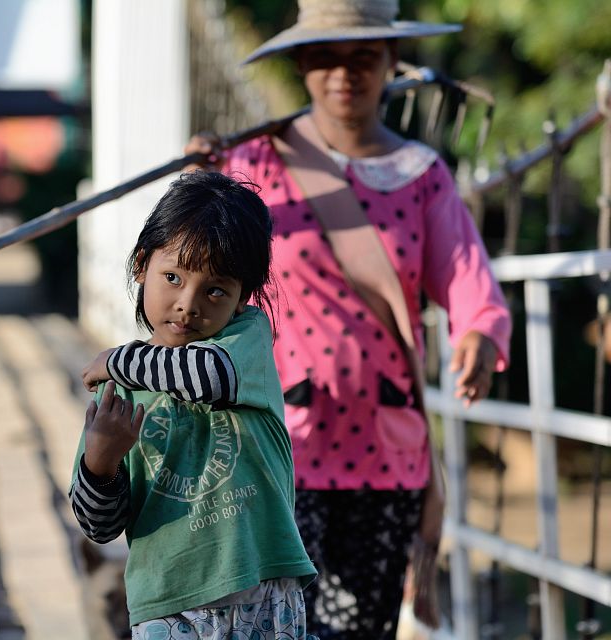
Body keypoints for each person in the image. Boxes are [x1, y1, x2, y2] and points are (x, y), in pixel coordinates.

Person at [184, 1, 512, 638]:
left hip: (385, 450)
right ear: (302, 65)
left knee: (362, 628)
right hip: (279, 443)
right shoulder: (253, 166)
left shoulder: (423, 177)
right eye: (325, 57)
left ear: (392, 63)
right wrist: (202, 187)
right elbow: (198, 273)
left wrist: (479, 334)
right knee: (270, 622)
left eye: (363, 57)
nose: (344, 74)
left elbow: (471, 281)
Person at [70, 170, 318, 639]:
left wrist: (117, 359)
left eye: (216, 290)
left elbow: (205, 376)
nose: (188, 304)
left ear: (244, 296)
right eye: (172, 277)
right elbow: (98, 525)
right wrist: (98, 465)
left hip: (260, 586)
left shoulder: (245, 341)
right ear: (141, 265)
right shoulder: (120, 391)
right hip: (166, 602)